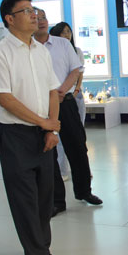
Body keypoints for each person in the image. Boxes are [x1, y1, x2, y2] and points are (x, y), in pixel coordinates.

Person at [0, 0, 67, 255]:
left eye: (34, 10)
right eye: (26, 11)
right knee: (25, 200)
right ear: (10, 19)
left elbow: (52, 91)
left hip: (43, 132)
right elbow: (5, 98)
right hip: (15, 134)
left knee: (45, 198)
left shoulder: (40, 51)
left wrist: (51, 129)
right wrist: (43, 122)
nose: (34, 15)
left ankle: (43, 251)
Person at [34, 10, 102, 217]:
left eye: (44, 17)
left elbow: (75, 70)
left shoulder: (62, 44)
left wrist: (61, 91)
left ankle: (84, 191)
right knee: (49, 152)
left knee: (78, 147)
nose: (41, 21)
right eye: (36, 18)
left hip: (66, 101)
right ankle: (56, 200)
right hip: (41, 106)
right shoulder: (28, 47)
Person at [49, 22, 86, 183]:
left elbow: (78, 72)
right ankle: (62, 170)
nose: (67, 35)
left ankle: (83, 174)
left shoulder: (75, 50)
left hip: (71, 96)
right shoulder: (45, 49)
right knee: (57, 138)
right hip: (54, 98)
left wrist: (74, 90)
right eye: (63, 32)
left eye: (69, 32)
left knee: (78, 137)